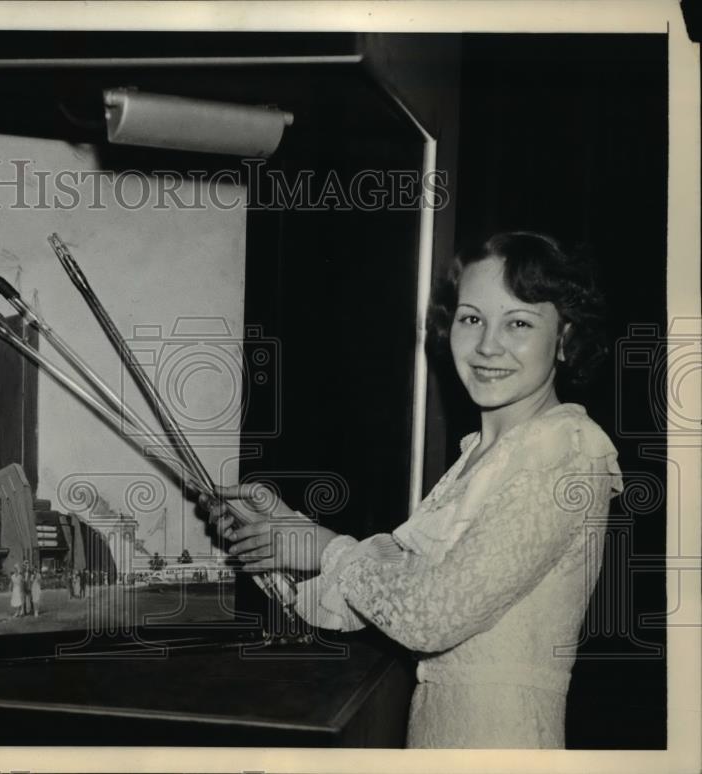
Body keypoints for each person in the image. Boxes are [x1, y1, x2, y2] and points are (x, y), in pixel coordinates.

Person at [203, 232, 623, 749]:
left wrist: (325, 547)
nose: (488, 345)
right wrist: (288, 531)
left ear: (564, 337)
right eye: (472, 318)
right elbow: (396, 585)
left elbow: (431, 616)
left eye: (519, 323)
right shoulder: (481, 456)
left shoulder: (568, 449)